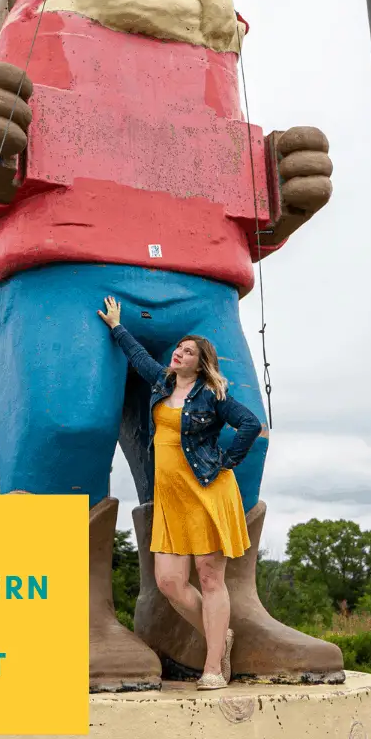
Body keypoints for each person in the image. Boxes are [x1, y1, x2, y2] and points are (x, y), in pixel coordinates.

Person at [98, 295, 262, 690]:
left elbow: (250, 424)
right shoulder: (161, 383)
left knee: (209, 578)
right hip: (171, 498)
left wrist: (225, 462)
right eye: (178, 348)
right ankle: (219, 637)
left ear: (200, 361)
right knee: (170, 582)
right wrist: (117, 327)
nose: (178, 353)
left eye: (187, 351)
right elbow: (139, 358)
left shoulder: (212, 395)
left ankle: (212, 668)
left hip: (207, 493)